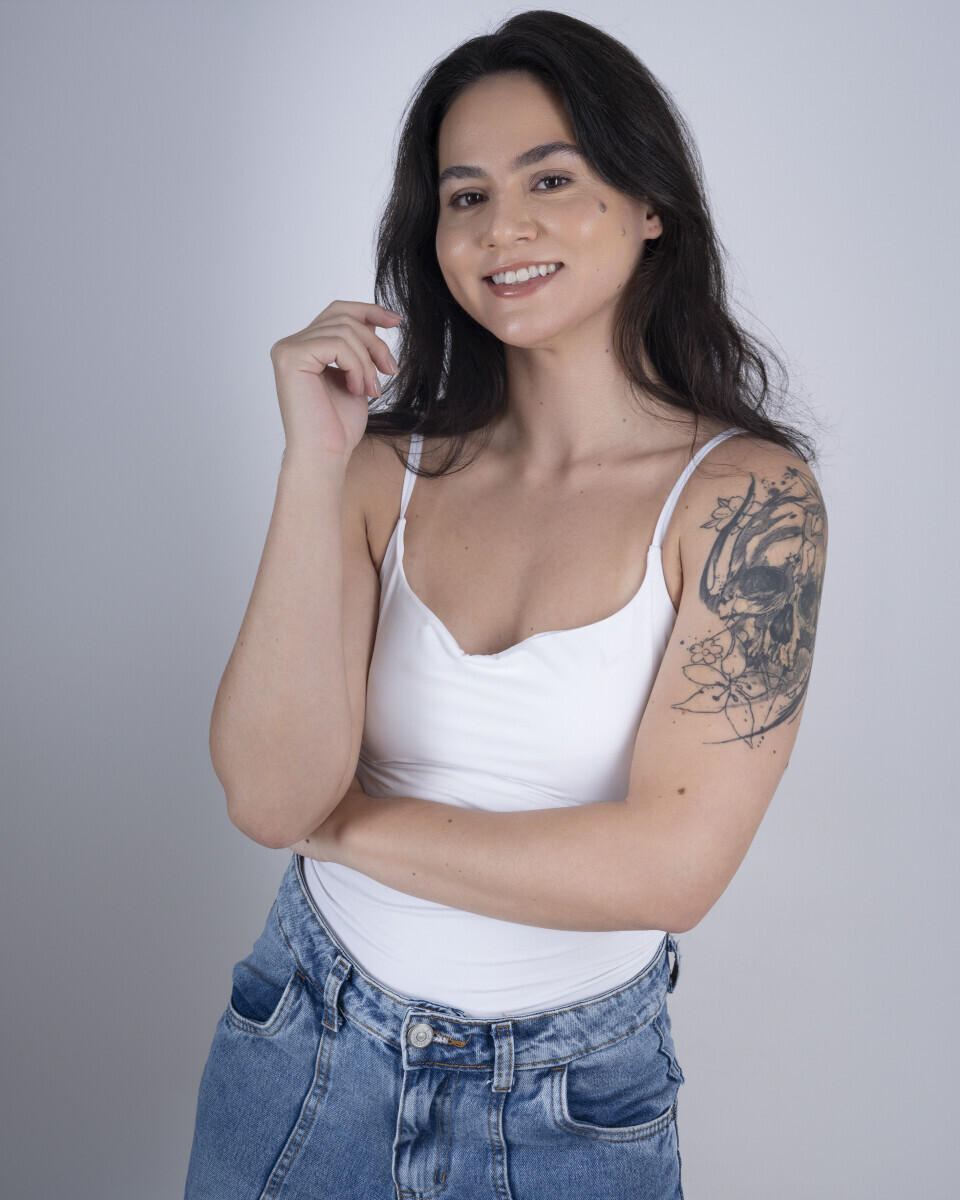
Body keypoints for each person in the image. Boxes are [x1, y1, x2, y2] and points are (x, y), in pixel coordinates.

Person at [184, 10, 827, 1199]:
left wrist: (334, 825)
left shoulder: (748, 503)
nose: (501, 227)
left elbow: (669, 871)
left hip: (569, 1106)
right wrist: (313, 463)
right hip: (305, 1048)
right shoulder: (378, 470)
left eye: (552, 178)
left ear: (650, 204)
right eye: (466, 195)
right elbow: (270, 791)